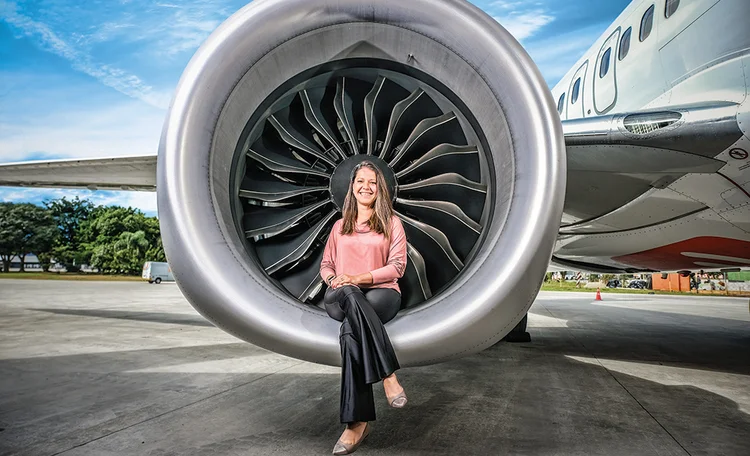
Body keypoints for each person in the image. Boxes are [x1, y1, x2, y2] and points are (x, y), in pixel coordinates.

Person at [320, 161, 408, 455]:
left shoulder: (392, 223)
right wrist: (336, 280)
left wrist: (358, 278)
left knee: (350, 333)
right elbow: (327, 265)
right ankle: (388, 376)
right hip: (341, 294)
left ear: (379, 188)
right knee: (349, 294)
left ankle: (355, 424)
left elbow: (397, 267)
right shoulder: (338, 226)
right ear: (352, 186)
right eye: (360, 181)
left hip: (381, 293)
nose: (366, 187)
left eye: (372, 182)